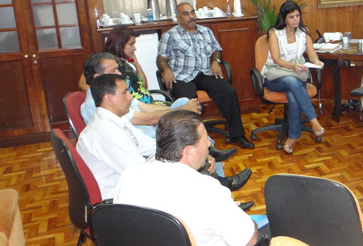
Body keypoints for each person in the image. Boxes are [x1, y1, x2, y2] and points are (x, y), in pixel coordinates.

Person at [115, 111, 261, 246]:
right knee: (267, 233)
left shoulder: (129, 175)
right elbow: (250, 239)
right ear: (189, 151)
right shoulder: (206, 189)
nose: (209, 144)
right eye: (206, 140)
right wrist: (233, 212)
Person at [77, 74, 251, 200]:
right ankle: (221, 210)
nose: (130, 96)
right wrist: (185, 160)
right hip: (123, 197)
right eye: (125, 92)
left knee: (197, 164)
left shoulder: (116, 120)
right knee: (193, 175)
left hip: (134, 181)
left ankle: (223, 206)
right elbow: (139, 173)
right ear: (108, 98)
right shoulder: (105, 132)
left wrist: (190, 153)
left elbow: (149, 145)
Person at [157, 2, 254, 149]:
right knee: (188, 102)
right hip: (183, 76)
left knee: (229, 91)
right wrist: (166, 70)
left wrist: (215, 60)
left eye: (192, 12)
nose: (191, 17)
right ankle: (192, 143)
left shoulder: (206, 31)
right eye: (186, 14)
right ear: (178, 18)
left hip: (204, 72)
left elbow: (216, 49)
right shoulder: (169, 35)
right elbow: (161, 59)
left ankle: (237, 135)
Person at [260, 0, 325, 154]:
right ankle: (313, 121)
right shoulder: (274, 33)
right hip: (275, 75)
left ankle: (293, 137)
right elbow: (276, 59)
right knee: (292, 81)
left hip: (297, 76)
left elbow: (312, 54)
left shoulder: (304, 33)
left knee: (294, 95)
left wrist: (317, 61)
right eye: (291, 17)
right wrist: (293, 67)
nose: (296, 19)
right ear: (284, 18)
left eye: (297, 16)